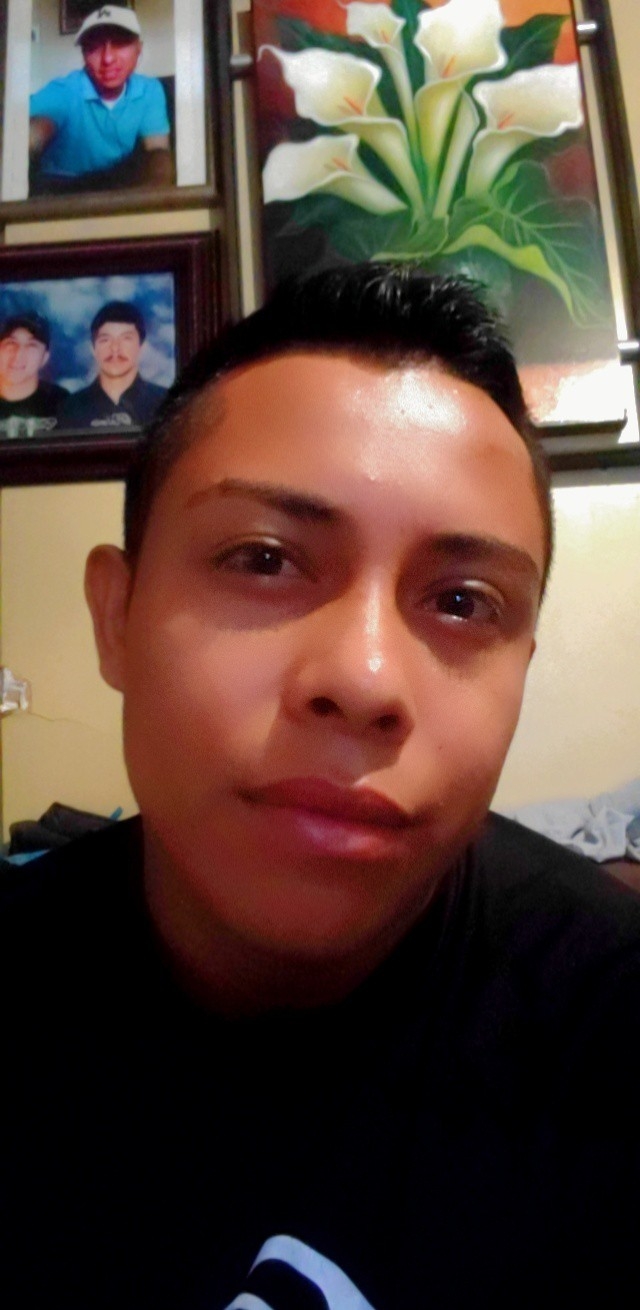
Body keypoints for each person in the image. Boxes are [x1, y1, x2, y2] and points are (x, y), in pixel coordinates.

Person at [2, 265, 640, 1309]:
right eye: (263, 558)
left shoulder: (607, 1030)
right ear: (116, 617)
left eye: (464, 601)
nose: (366, 679)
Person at [29, 5, 173, 194]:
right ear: (83, 54)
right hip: (60, 193)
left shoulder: (149, 90)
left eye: (120, 42)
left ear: (139, 48)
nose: (107, 59)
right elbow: (33, 134)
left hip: (118, 189)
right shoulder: (64, 91)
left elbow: (158, 155)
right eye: (94, 47)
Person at [60, 300, 168, 430]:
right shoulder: (70, 408)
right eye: (105, 340)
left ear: (142, 346)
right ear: (93, 349)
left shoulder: (166, 403)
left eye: (126, 338)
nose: (115, 348)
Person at [0, 312, 68, 437]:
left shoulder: (64, 404)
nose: (18, 355)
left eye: (31, 346)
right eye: (11, 343)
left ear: (44, 358)